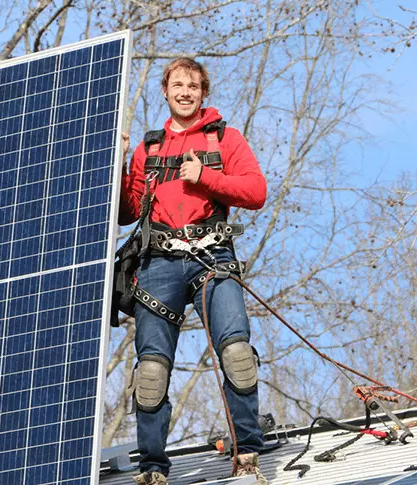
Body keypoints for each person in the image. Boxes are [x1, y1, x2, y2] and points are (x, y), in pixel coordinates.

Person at [119, 58, 268, 485]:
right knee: (150, 372)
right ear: (165, 92)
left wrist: (205, 177)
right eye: (177, 85)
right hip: (158, 263)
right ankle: (152, 466)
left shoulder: (225, 138)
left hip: (212, 256)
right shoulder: (147, 148)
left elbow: (256, 191)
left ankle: (246, 452)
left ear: (204, 92)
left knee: (237, 355)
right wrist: (113, 165)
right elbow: (126, 213)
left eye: (194, 85)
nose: (185, 91)